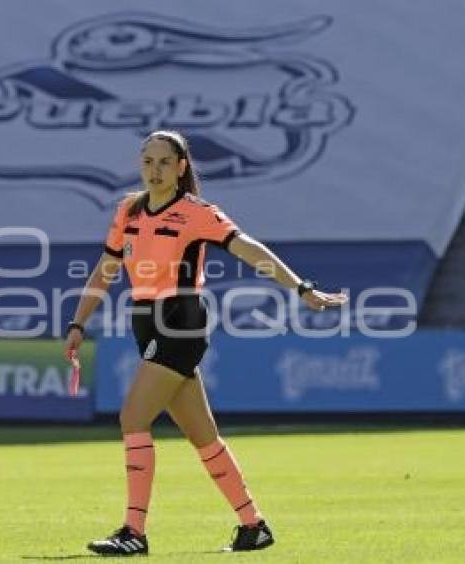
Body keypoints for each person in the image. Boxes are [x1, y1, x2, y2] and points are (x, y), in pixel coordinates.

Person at [64, 130, 348, 556]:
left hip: (181, 321)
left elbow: (250, 249)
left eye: (163, 162)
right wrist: (78, 323)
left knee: (132, 418)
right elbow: (105, 270)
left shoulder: (197, 213)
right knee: (204, 437)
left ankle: (134, 532)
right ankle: (254, 525)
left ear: (181, 167)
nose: (154, 170)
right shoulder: (128, 210)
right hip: (146, 321)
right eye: (147, 161)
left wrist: (300, 287)